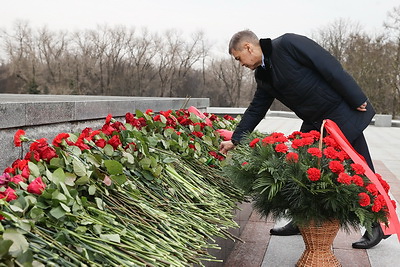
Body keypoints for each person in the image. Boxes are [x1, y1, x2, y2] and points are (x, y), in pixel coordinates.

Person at [219, 30, 390, 249]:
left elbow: (328, 66)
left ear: (248, 48)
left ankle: (378, 224)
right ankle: (303, 220)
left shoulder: (289, 44)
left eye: (238, 58)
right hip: (314, 122)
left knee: (360, 167)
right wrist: (236, 139)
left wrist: (355, 97)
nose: (240, 64)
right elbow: (256, 109)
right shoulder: (262, 75)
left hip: (340, 113)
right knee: (302, 167)